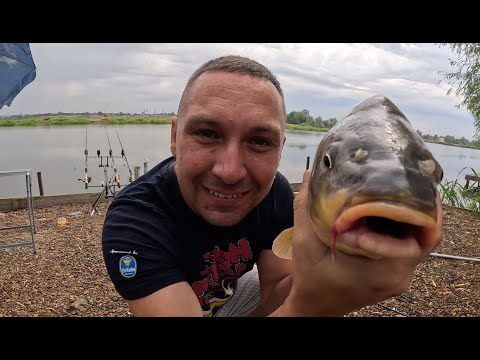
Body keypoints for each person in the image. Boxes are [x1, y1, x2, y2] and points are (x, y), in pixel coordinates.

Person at [101, 55, 443, 317]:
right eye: (206, 133)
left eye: (259, 141)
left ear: (281, 149)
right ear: (175, 137)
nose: (230, 171)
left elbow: (278, 293)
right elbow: (297, 306)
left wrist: (320, 278)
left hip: (232, 295)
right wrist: (312, 307)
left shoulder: (274, 192)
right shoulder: (133, 222)